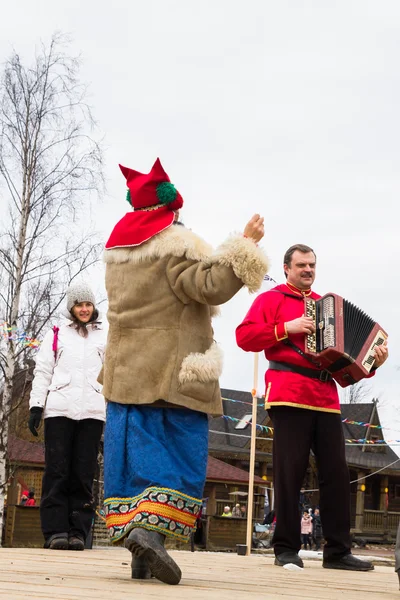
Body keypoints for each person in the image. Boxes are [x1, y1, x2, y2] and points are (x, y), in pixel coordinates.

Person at [100, 158, 268, 585]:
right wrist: (244, 245)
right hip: (170, 373)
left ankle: (141, 552)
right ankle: (149, 537)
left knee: (135, 459)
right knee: (177, 457)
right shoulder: (174, 244)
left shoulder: (119, 254)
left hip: (126, 374)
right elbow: (208, 285)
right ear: (170, 209)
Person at [236, 243, 388, 571]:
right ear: (287, 268)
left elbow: (346, 371)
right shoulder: (271, 299)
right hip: (288, 392)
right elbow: (244, 337)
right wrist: (284, 328)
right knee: (290, 472)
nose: (308, 270)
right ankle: (286, 550)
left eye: (312, 266)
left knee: (336, 473)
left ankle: (337, 552)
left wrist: (372, 364)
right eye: (301, 265)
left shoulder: (325, 306)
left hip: (326, 397)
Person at [28, 282, 106, 551]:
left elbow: (114, 372)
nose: (84, 309)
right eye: (79, 305)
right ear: (71, 307)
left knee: (84, 473)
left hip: (93, 411)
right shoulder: (56, 333)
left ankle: (77, 531)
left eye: (88, 304)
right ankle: (55, 531)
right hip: (59, 409)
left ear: (93, 306)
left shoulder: (105, 335)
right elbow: (43, 372)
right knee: (57, 471)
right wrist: (36, 405)